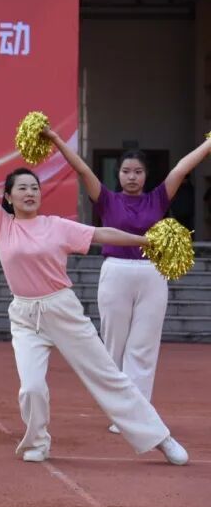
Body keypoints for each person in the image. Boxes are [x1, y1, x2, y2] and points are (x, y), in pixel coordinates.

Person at [0, 155, 188, 465]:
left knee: (108, 376)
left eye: (35, 188)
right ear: (8, 197)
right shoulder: (1, 224)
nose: (30, 193)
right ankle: (37, 442)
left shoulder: (56, 226)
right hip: (25, 316)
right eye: (22, 188)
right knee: (31, 387)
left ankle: (161, 438)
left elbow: (102, 234)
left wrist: (146, 241)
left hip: (62, 310)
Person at [47, 131, 211, 424]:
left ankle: (137, 414)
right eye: (126, 171)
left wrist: (209, 143)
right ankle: (117, 412)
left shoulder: (158, 199)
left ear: (146, 175)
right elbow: (81, 168)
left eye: (138, 172)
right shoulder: (107, 200)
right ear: (118, 174)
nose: (132, 177)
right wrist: (56, 140)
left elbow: (182, 168)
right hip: (116, 272)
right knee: (114, 344)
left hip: (152, 274)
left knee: (144, 347)